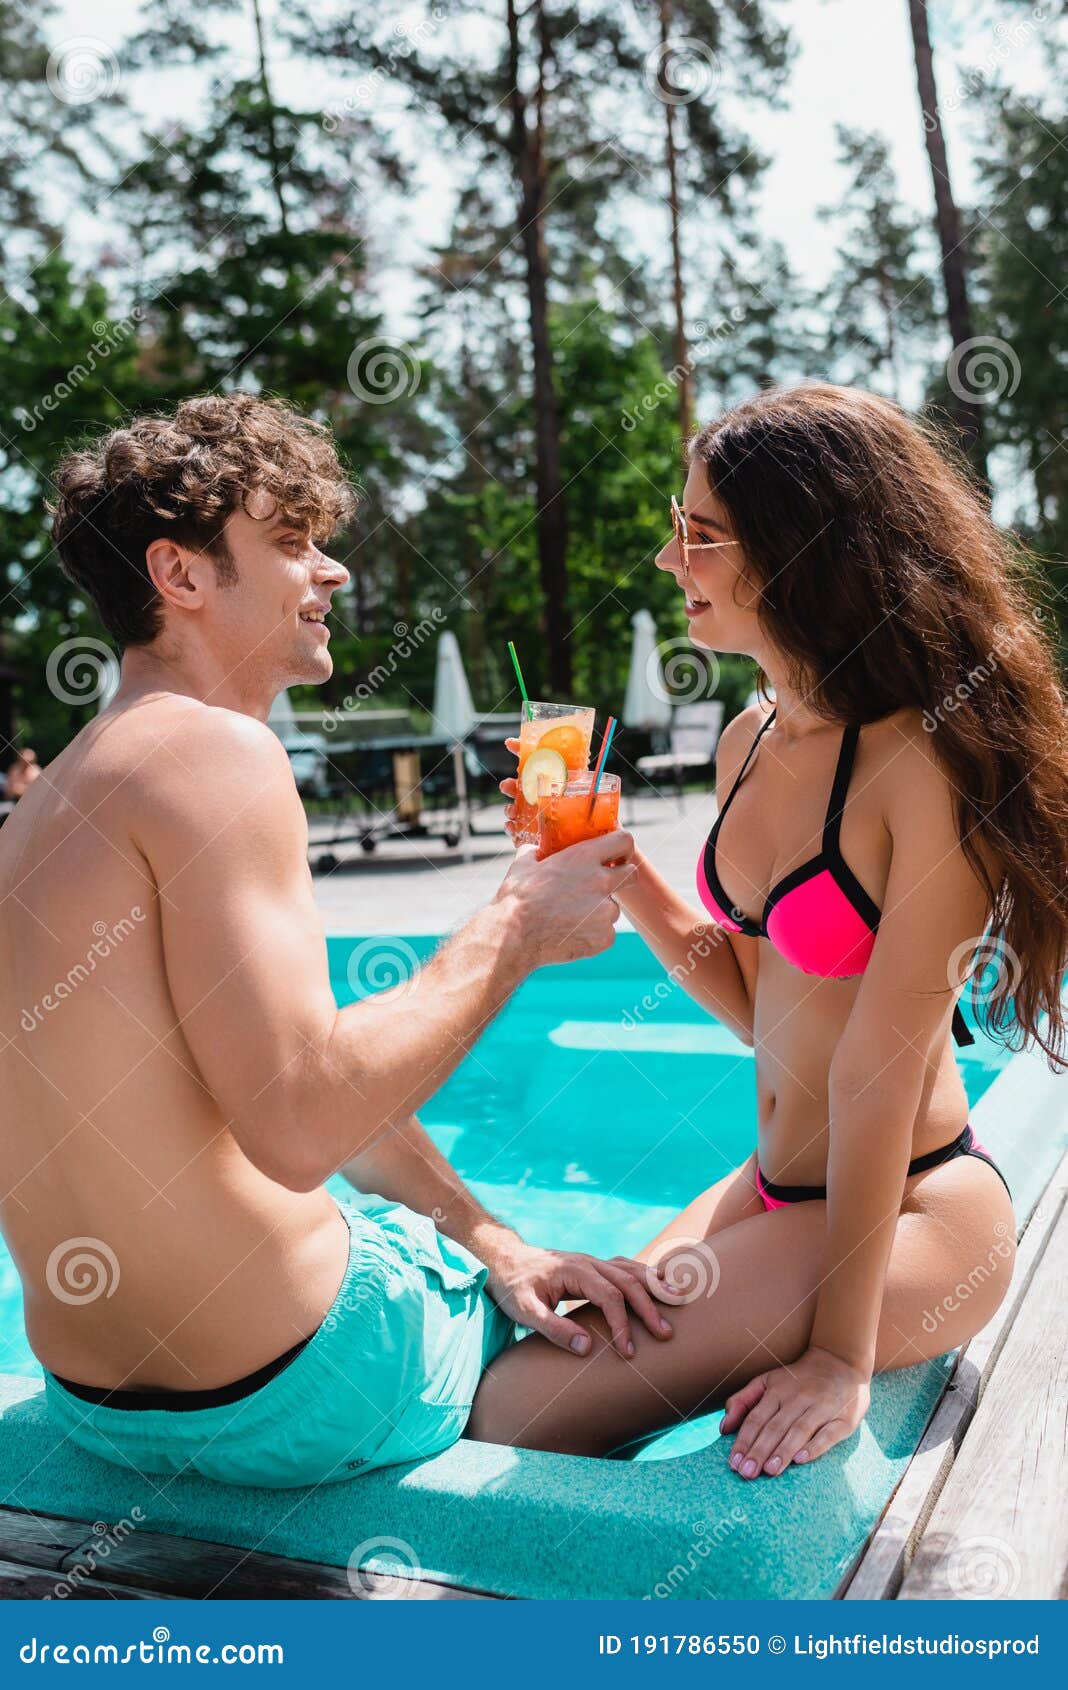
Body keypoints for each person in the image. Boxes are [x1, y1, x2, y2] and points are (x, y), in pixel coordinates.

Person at [0, 394, 669, 1490]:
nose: (335, 572)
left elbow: (275, 1080)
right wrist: (514, 924)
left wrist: (488, 1237)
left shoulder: (46, 804)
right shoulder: (216, 753)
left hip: (100, 1405)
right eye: (292, 541)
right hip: (298, 1384)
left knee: (478, 1237)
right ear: (181, 575)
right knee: (681, 1301)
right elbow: (303, 1122)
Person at [479, 383, 1068, 1479]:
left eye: (698, 535)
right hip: (774, 1183)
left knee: (519, 1416)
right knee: (535, 1369)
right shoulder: (748, 735)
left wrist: (841, 1357)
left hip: (910, 1206)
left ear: (803, 554)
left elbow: (877, 1072)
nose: (668, 561)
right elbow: (762, 1001)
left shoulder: (918, 766)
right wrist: (626, 872)